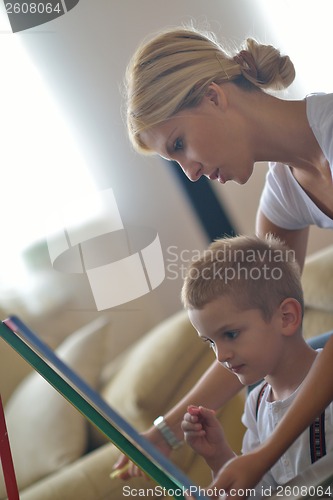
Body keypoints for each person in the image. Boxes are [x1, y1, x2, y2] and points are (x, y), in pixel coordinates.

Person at [113, 24, 333, 482]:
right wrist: (168, 433)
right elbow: (255, 324)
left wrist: (264, 455)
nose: (190, 173)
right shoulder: (284, 195)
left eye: (180, 145)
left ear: (214, 97)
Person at [180, 234, 333, 498]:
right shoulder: (256, 403)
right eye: (210, 342)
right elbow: (261, 493)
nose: (221, 356)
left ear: (286, 317)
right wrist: (219, 456)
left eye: (230, 335)